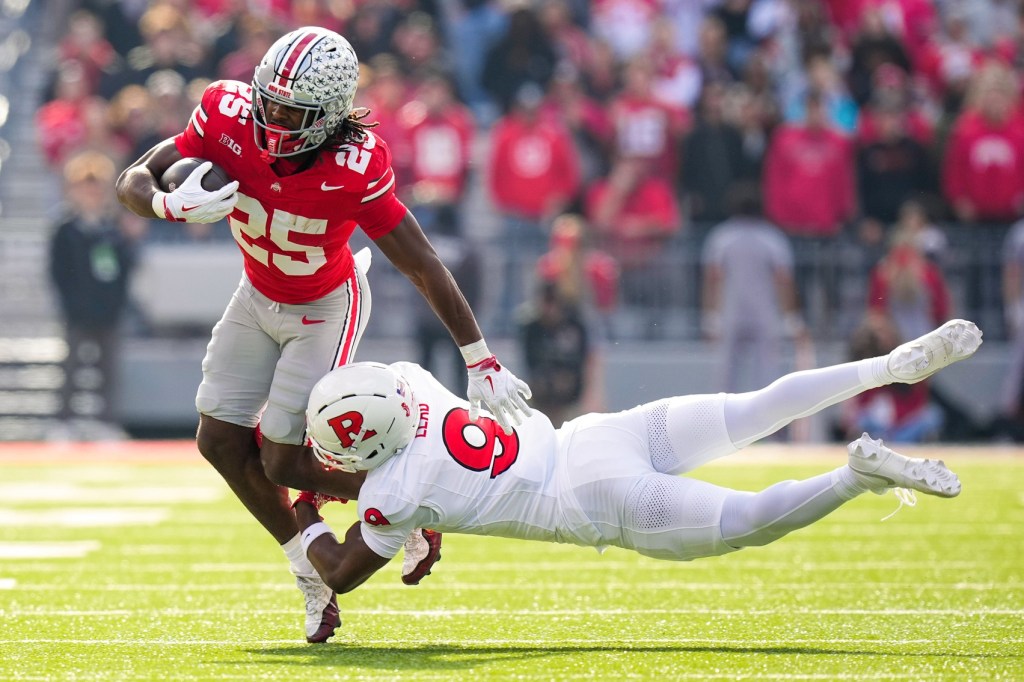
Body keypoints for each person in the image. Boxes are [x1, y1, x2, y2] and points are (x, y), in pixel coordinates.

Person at [114, 26, 532, 644]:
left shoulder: (355, 164)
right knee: (219, 440)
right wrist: (164, 207)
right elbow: (133, 179)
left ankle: (408, 501)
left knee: (282, 454)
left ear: (330, 116)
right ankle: (306, 566)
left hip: (325, 304)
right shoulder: (227, 113)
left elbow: (420, 262)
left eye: (293, 111)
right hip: (257, 294)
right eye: (269, 102)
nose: (274, 120)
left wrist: (480, 359)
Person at [294, 319, 982, 619]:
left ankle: (857, 477)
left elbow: (343, 574)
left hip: (592, 500)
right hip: (592, 437)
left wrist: (297, 513)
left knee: (746, 522)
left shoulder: (392, 491)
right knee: (754, 408)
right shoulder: (409, 380)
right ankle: (886, 368)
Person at [49, 150, 140, 441]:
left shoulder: (112, 229)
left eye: (96, 187)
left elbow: (124, 269)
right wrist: (70, 305)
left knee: (109, 369)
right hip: (77, 312)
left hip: (109, 311)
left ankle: (107, 423)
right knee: (72, 367)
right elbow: (58, 272)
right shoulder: (65, 228)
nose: (91, 193)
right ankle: (63, 422)